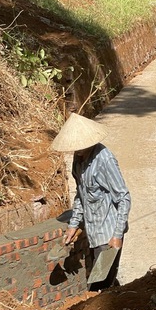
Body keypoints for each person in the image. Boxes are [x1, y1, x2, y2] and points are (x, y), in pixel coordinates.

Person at [50, 113, 131, 290]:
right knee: (101, 282)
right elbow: (81, 195)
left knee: (100, 286)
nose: (76, 150)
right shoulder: (78, 160)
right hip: (94, 232)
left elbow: (124, 197)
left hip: (108, 233)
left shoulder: (104, 160)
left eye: (80, 146)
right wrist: (73, 224)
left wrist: (117, 235)